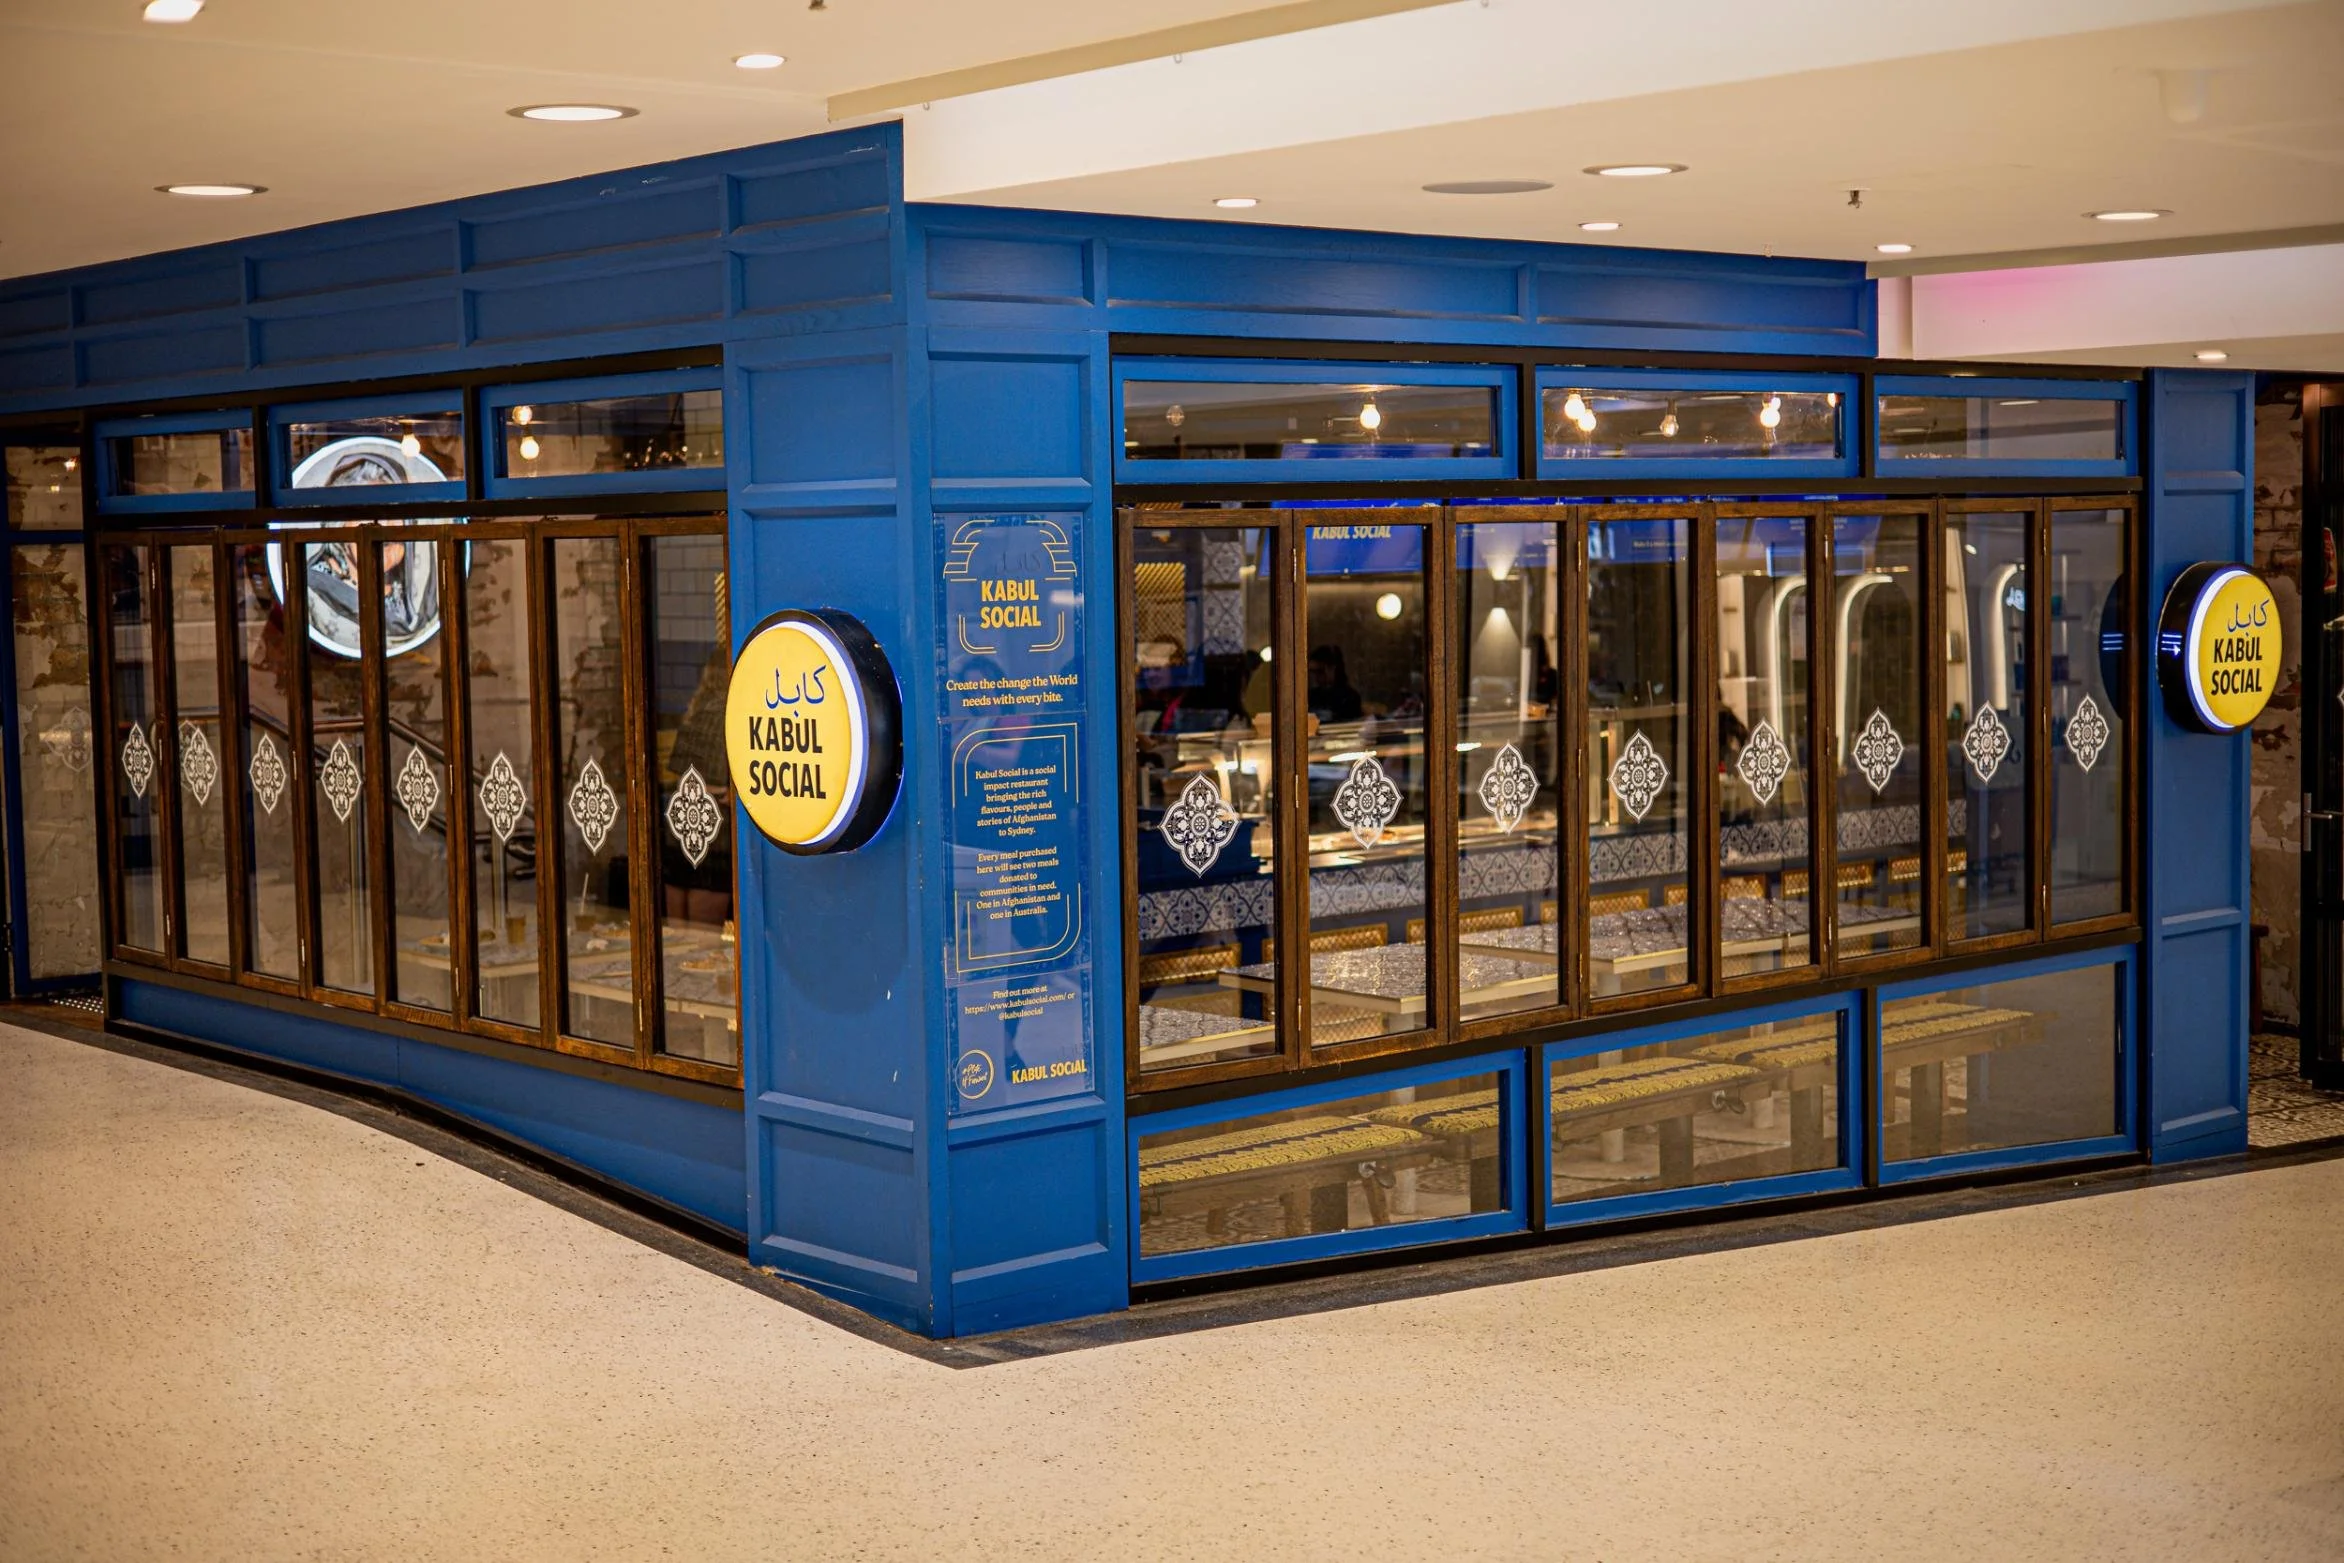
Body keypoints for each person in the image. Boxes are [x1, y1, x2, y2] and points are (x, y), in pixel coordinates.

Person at [1306, 643, 1363, 723]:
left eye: (1320, 671)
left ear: (1333, 668)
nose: (1315, 677)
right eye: (1313, 672)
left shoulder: (1349, 698)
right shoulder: (1310, 696)